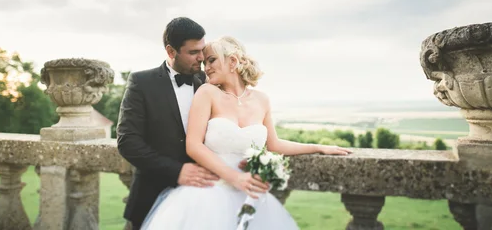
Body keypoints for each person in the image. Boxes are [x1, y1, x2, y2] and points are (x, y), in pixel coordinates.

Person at [141, 36, 352, 229]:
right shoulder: (207, 93)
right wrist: (234, 178)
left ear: (232, 62)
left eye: (212, 60)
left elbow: (274, 145)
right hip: (209, 194)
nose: (206, 68)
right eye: (205, 63)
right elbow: (193, 145)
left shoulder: (262, 100)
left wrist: (318, 147)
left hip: (250, 195)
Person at [116, 17, 219, 229]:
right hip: (151, 197)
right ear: (171, 52)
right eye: (193, 52)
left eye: (202, 50)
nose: (201, 58)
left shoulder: (210, 82)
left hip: (203, 200)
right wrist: (176, 170)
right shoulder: (141, 83)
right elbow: (128, 141)